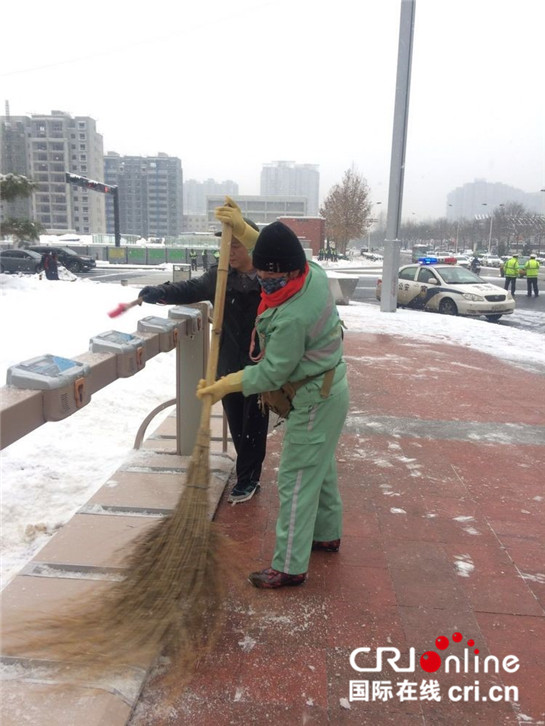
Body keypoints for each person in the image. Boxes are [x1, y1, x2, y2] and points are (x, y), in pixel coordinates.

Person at [197, 199, 349, 590]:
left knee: (296, 477)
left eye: (272, 280)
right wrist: (241, 227)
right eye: (262, 276)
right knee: (320, 466)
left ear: (290, 273)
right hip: (330, 388)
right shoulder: (310, 271)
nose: (265, 284)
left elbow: (271, 372)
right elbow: (268, 246)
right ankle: (326, 534)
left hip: (315, 396)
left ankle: (289, 565)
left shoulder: (295, 314)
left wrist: (224, 384)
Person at [139, 217, 269, 504]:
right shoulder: (219, 276)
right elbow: (190, 288)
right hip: (226, 364)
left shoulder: (268, 279)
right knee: (236, 422)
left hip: (260, 367)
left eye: (235, 245)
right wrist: (160, 292)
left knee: (255, 424)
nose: (228, 251)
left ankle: (249, 478)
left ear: (250, 245)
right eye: (225, 246)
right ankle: (246, 471)